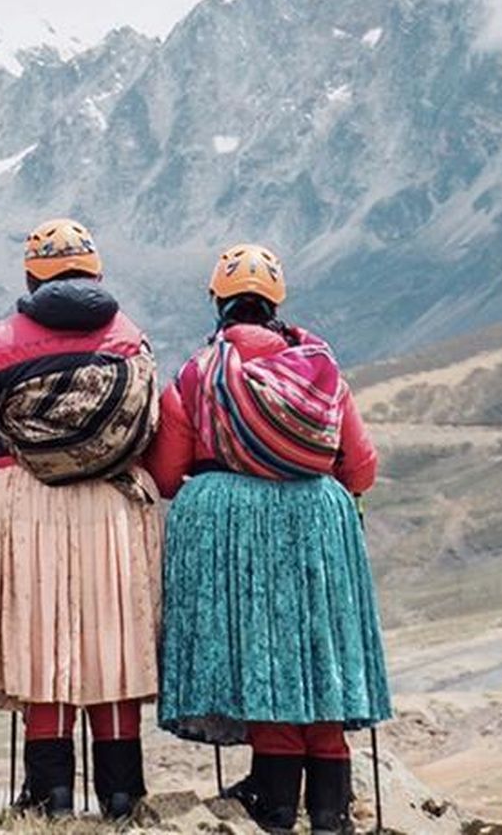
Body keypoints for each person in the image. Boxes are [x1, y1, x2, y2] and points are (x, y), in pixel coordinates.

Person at [156, 244, 390, 835]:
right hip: (318, 521)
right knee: (317, 651)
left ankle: (277, 802)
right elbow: (360, 468)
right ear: (276, 303)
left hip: (231, 525)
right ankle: (332, 811)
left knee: (259, 650)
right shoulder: (321, 371)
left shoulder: (196, 374)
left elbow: (165, 473)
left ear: (219, 302)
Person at [0, 218, 163, 820]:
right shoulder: (130, 337)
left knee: (43, 647)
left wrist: (5, 480)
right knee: (111, 647)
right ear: (96, 272)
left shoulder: (1, 340)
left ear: (30, 274)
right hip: (113, 504)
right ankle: (123, 794)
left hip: (25, 500)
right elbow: (153, 426)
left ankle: (51, 796)